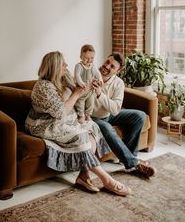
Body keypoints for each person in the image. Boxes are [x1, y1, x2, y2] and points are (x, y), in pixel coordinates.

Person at [25, 51, 132, 196]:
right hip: (46, 124)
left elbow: (81, 89)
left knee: (93, 127)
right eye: (63, 64)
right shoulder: (43, 87)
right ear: (55, 67)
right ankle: (107, 179)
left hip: (67, 120)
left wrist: (88, 87)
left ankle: (83, 175)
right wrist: (76, 93)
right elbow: (61, 113)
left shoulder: (64, 77)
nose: (67, 65)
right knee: (81, 136)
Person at [91, 52, 156, 178]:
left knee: (140, 116)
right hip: (93, 118)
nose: (107, 67)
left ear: (118, 71)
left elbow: (115, 110)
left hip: (109, 114)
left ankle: (128, 156)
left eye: (112, 66)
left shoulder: (118, 83)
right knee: (107, 128)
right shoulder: (91, 75)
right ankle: (133, 162)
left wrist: (100, 94)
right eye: (107, 62)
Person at [74, 44, 102, 123]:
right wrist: (82, 84)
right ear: (81, 57)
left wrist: (100, 80)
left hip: (90, 90)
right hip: (81, 90)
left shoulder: (92, 66)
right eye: (87, 58)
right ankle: (81, 115)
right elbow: (77, 76)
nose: (89, 60)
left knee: (91, 103)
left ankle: (88, 115)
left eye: (92, 58)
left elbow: (97, 74)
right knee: (80, 103)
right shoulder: (78, 66)